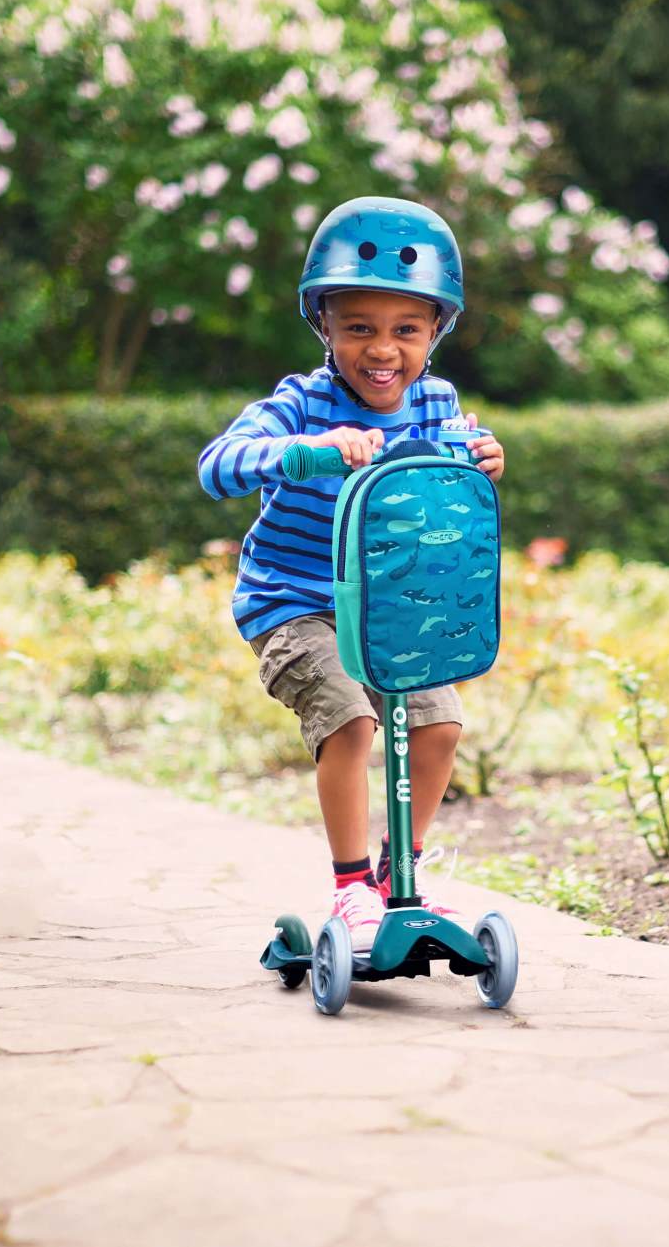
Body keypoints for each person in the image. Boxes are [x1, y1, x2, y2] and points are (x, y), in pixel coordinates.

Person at [197, 196, 506, 947]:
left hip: (395, 604)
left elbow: (449, 479)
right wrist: (297, 452)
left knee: (440, 727)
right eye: (359, 327)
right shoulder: (300, 402)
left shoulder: (436, 403)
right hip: (294, 604)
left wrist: (485, 459)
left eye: (406, 329)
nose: (382, 349)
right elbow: (217, 465)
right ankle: (350, 890)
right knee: (352, 719)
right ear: (324, 326)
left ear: (437, 331)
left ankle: (402, 874)